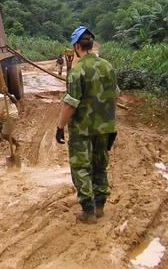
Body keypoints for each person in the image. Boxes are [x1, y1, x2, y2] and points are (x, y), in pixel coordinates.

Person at [55, 26, 120, 224]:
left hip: (82, 129)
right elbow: (114, 97)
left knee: (81, 168)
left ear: (76, 46)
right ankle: (100, 206)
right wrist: (109, 121)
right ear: (91, 45)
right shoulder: (108, 66)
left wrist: (60, 127)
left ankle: (88, 211)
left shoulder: (77, 71)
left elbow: (70, 104)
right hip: (105, 127)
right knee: (100, 165)